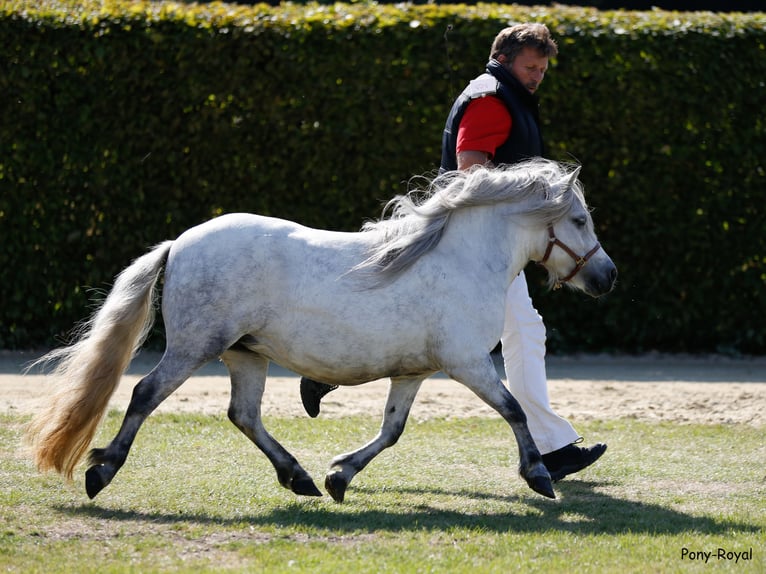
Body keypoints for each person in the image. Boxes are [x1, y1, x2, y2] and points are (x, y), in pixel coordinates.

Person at [300, 23, 606, 481]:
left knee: (523, 331)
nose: (538, 75)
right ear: (504, 60)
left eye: (543, 69)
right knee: (522, 332)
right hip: (473, 249)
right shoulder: (490, 100)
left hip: (486, 246)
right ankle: (551, 448)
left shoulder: (506, 95)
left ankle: (328, 372)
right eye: (531, 67)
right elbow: (469, 175)